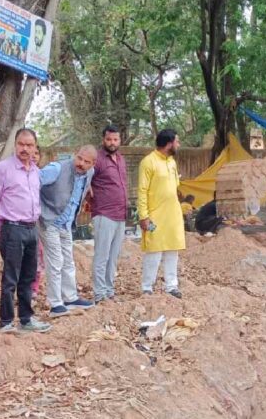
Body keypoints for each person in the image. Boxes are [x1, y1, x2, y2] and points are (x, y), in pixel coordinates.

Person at [0, 129, 52, 334]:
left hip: (32, 229)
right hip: (12, 229)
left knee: (29, 276)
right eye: (21, 144)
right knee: (10, 278)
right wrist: (1, 225)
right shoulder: (3, 169)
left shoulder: (35, 171)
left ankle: (26, 319)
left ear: (35, 147)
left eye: (29, 145)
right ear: (16, 145)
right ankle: (6, 322)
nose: (25, 149)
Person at [38, 146, 97, 317]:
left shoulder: (89, 173)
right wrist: (37, 210)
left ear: (92, 164)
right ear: (75, 155)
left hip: (66, 222)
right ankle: (56, 304)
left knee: (68, 261)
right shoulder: (56, 168)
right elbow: (33, 183)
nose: (81, 163)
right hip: (49, 220)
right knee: (55, 262)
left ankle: (70, 298)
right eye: (79, 158)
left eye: (86, 162)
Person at [137, 129, 185, 299]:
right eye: (177, 142)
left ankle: (171, 286)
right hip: (154, 216)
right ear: (169, 143)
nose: (179, 145)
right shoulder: (148, 162)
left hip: (173, 215)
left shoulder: (172, 161)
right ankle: (147, 287)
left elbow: (175, 186)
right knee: (154, 251)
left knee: (172, 250)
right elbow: (142, 191)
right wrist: (143, 216)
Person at [89, 125, 128, 303]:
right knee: (101, 256)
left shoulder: (120, 159)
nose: (112, 143)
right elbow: (85, 179)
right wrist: (90, 198)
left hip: (120, 214)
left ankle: (109, 291)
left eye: (115, 139)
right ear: (103, 140)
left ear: (120, 140)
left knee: (113, 257)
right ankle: (99, 294)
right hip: (104, 213)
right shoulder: (97, 159)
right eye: (109, 139)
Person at [31, 146, 45, 296]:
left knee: (39, 254)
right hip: (25, 221)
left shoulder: (43, 175)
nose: (34, 156)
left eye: (37, 153)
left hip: (40, 221)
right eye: (32, 153)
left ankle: (34, 287)